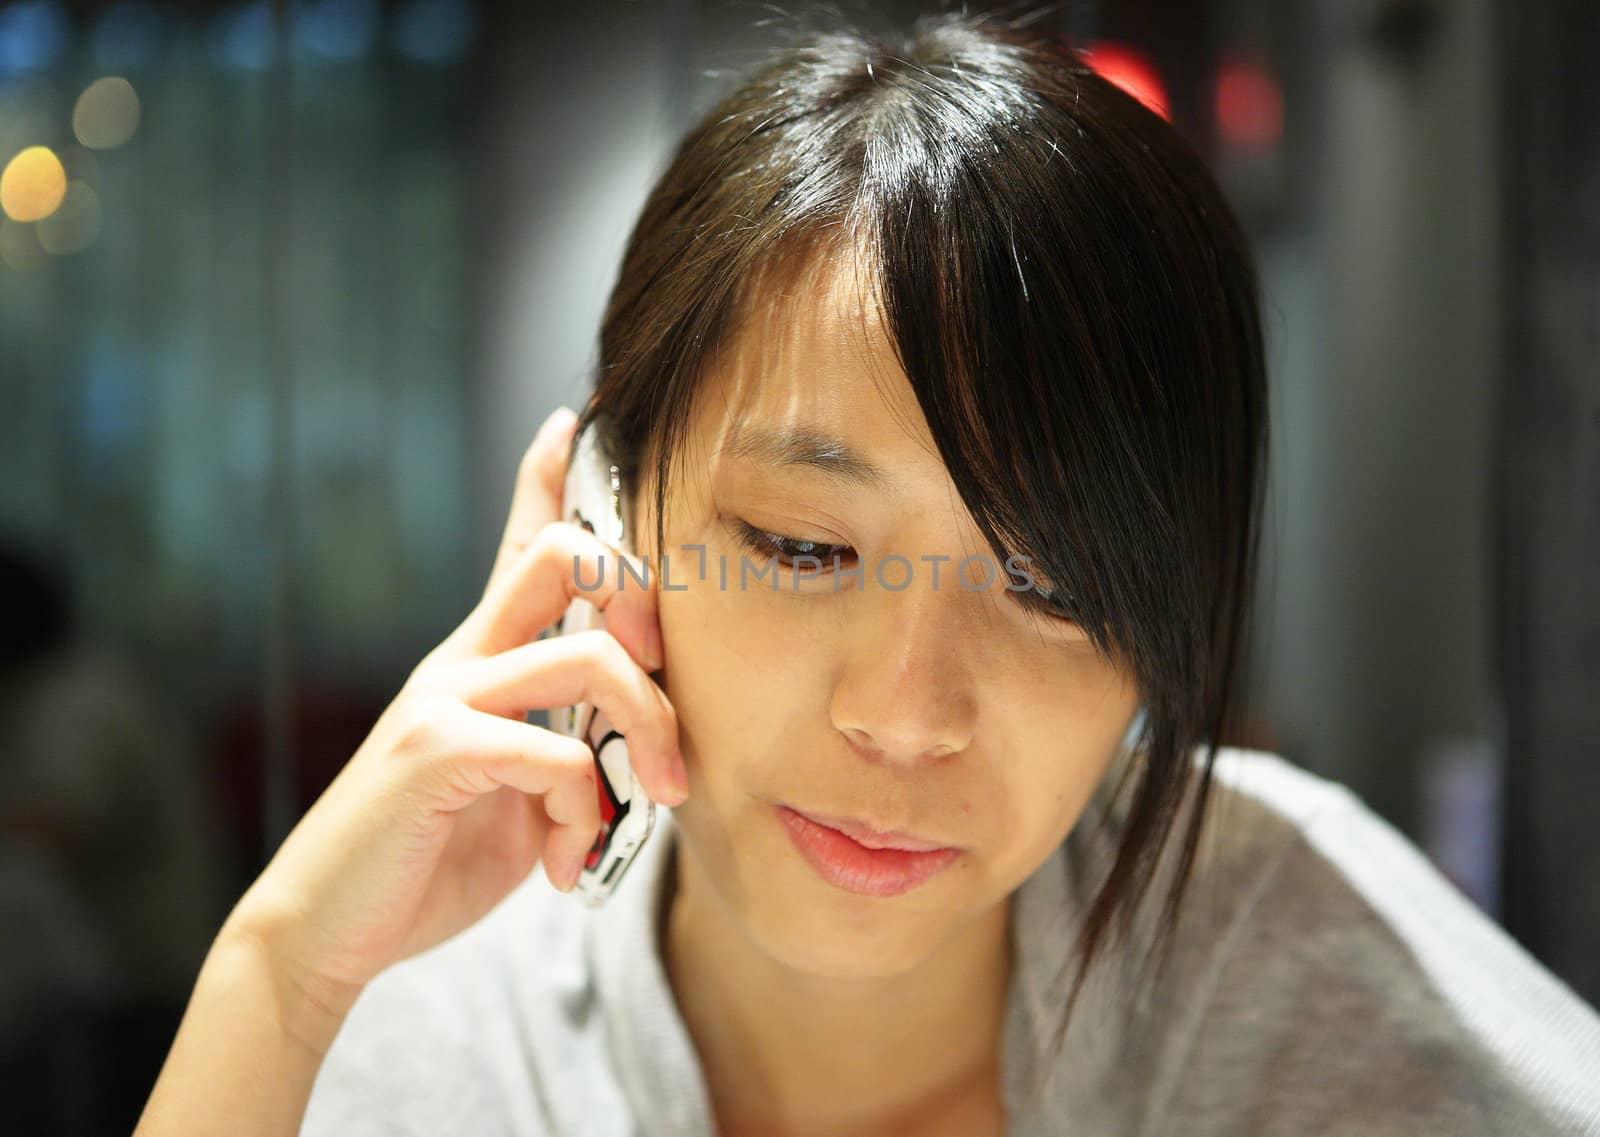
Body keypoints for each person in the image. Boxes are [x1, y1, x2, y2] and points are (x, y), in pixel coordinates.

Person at [134, 11, 1600, 1137]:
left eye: (1058, 584)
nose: (909, 714)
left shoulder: (1286, 966)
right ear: (596, 509)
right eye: (804, 544)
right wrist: (278, 975)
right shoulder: (433, 1037)